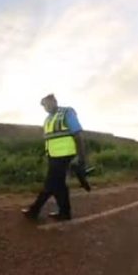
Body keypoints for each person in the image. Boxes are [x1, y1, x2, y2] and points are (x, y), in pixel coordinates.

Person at [22, 93, 87, 221]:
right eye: (44, 106)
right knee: (59, 186)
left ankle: (34, 210)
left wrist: (80, 157)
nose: (45, 107)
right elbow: (50, 140)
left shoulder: (67, 112)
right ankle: (65, 213)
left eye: (47, 103)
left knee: (50, 184)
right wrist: (44, 155)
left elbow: (78, 135)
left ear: (54, 101)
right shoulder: (47, 119)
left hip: (66, 156)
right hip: (53, 157)